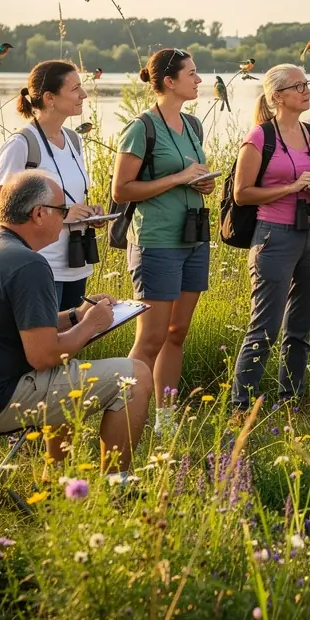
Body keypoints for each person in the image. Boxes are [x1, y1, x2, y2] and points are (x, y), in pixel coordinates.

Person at [0, 172, 152, 478]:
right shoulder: (28, 264)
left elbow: (25, 326)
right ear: (39, 214)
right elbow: (44, 355)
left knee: (65, 374)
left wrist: (77, 315)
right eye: (62, 210)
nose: (64, 219)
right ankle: (116, 488)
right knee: (137, 374)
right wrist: (92, 325)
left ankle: (55, 482)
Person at [111, 49, 216, 435]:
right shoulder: (141, 128)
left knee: (177, 332)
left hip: (192, 238)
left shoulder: (192, 126)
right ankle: (124, 418)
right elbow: (121, 190)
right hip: (156, 242)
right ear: (169, 82)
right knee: (152, 336)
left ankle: (165, 422)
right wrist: (178, 178)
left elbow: (188, 176)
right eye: (192, 73)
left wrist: (202, 182)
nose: (199, 79)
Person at [231, 64, 310, 410]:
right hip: (274, 237)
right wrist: (291, 187)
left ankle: (291, 402)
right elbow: (241, 193)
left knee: (300, 328)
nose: (306, 90)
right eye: (298, 86)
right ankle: (241, 407)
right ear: (277, 96)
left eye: (308, 83)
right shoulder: (260, 137)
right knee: (265, 329)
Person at [0, 60, 105, 310]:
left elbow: (70, 201)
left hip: (76, 264)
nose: (83, 94)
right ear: (50, 97)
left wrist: (88, 213)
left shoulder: (73, 140)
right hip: (40, 268)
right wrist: (64, 217)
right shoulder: (21, 144)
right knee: (43, 345)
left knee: (71, 344)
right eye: (75, 89)